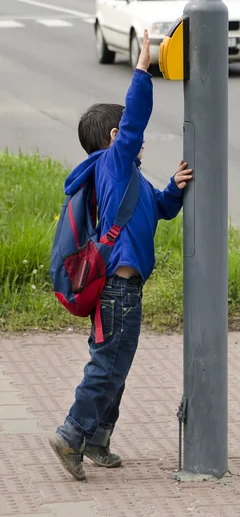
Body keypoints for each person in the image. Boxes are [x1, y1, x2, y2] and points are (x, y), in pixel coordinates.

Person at [49, 30, 192, 481]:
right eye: (129, 135)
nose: (138, 141)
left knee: (117, 366)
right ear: (116, 137)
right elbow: (135, 122)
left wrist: (175, 187)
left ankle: (97, 438)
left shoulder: (133, 180)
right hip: (117, 290)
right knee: (107, 365)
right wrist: (142, 71)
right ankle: (72, 434)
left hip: (125, 290)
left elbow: (162, 210)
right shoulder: (115, 164)